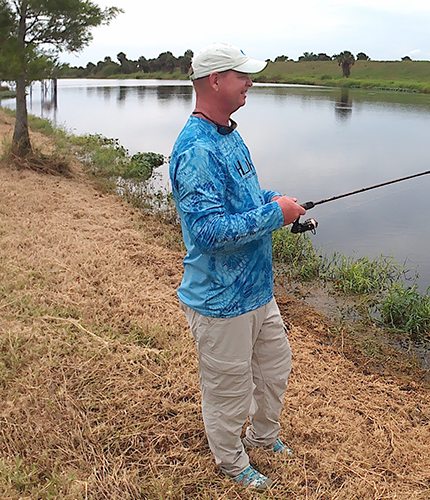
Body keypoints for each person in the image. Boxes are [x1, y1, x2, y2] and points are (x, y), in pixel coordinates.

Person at [168, 42, 308, 491]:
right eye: (242, 75)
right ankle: (231, 461)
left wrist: (275, 202)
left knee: (275, 369)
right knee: (227, 390)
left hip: (257, 292)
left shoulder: (230, 132)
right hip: (219, 301)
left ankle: (265, 438)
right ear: (215, 80)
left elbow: (244, 200)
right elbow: (207, 233)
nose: (250, 83)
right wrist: (273, 216)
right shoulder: (194, 150)